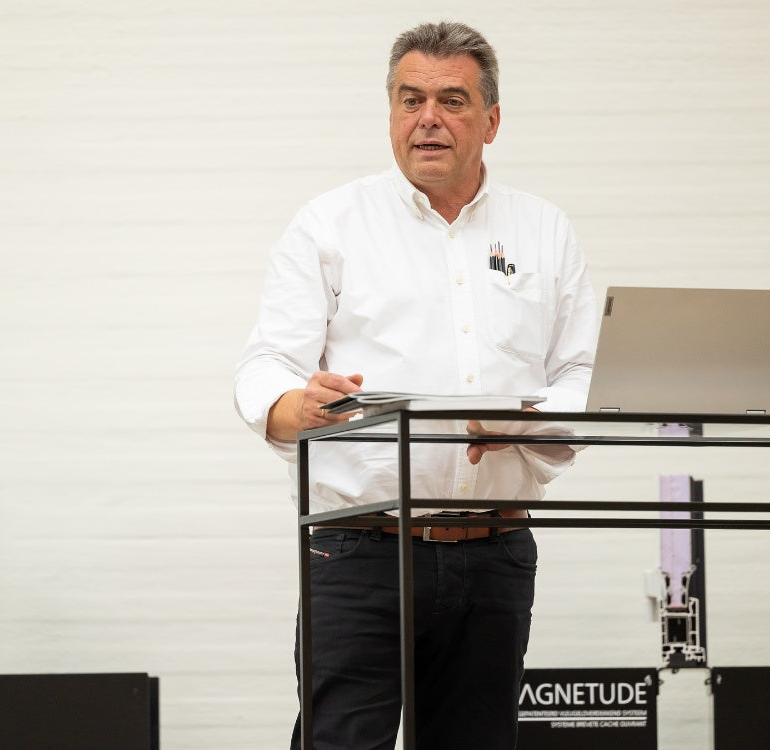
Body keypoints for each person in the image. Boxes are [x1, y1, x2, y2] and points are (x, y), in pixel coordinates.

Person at [233, 21, 599, 750]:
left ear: (491, 120)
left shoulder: (544, 231)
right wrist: (296, 406)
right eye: (410, 100)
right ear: (392, 114)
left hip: (495, 552)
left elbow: (581, 373)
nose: (428, 118)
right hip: (359, 552)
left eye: (452, 100)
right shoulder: (330, 224)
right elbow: (265, 364)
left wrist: (524, 423)